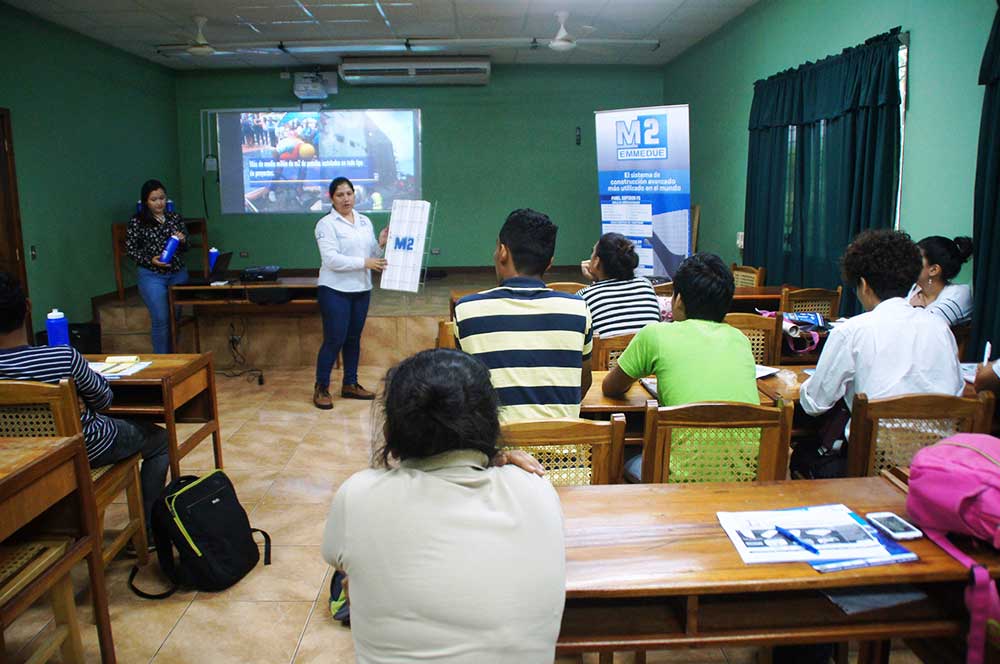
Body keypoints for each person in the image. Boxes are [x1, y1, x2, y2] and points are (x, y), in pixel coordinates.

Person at [321, 349, 565, 663]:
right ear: (492, 425)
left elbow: (347, 575)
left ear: (390, 432)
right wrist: (492, 458)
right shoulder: (535, 488)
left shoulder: (358, 496)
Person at [0, 272, 169, 532]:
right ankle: (152, 531)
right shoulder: (63, 358)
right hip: (86, 449)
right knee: (160, 441)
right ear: (27, 307)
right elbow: (104, 400)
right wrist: (79, 401)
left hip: (22, 462)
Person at [794, 229, 964, 478]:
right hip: (934, 466)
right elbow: (956, 390)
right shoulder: (940, 328)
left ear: (863, 284)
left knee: (803, 454)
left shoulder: (853, 331)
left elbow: (815, 404)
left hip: (871, 465)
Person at [602, 253, 758, 482]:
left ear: (678, 300)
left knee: (625, 453)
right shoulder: (741, 339)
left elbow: (611, 387)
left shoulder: (655, 334)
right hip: (747, 478)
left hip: (678, 481)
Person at [454, 209, 592, 423]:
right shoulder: (578, 309)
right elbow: (583, 383)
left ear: (502, 252)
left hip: (496, 453)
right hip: (565, 453)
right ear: (549, 263)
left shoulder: (466, 311)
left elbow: (462, 390)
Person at [313, 177, 388, 410]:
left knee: (354, 338)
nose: (346, 199)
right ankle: (322, 387)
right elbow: (331, 259)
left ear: (355, 195)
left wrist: (382, 243)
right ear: (331, 198)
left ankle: (350, 384)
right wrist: (365, 261)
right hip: (334, 290)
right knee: (335, 338)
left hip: (361, 289)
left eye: (349, 194)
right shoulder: (326, 224)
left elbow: (372, 254)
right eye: (340, 195)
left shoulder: (364, 221)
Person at [125, 179, 189, 354]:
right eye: (154, 199)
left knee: (175, 318)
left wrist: (182, 240)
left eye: (162, 198)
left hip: (177, 273)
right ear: (146, 201)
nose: (159, 203)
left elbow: (186, 248)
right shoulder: (137, 221)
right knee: (161, 318)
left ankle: (174, 355)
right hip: (152, 275)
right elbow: (130, 250)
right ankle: (163, 360)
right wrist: (150, 259)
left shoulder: (174, 218)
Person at [577, 232, 661, 337]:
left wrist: (595, 282)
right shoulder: (646, 286)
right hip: (647, 353)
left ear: (596, 261)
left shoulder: (584, 297)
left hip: (610, 354)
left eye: (592, 252)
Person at [907, 235, 974, 326]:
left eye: (916, 258)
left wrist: (917, 308)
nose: (908, 262)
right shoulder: (911, 289)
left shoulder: (959, 294)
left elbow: (926, 326)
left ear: (934, 270)